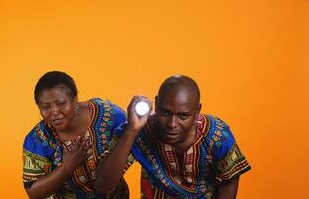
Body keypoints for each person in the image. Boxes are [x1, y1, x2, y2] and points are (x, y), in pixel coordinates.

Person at [95, 75, 251, 199]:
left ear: (197, 111)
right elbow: (103, 185)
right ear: (156, 103)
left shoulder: (217, 136)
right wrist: (131, 131)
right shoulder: (142, 130)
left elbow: (229, 180)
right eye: (165, 112)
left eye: (183, 115)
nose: (171, 123)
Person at [22, 71, 130, 199]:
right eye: (46, 107)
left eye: (61, 104)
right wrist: (66, 167)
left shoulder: (112, 117)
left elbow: (105, 184)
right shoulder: (38, 139)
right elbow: (33, 192)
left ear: (75, 99)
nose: (54, 112)